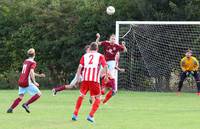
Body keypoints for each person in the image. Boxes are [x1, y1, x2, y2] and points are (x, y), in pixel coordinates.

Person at [72, 42, 108, 123]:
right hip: (94, 80)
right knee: (98, 98)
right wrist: (105, 76)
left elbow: (79, 68)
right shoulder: (100, 56)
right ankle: (90, 116)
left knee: (81, 96)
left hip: (85, 79)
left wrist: (78, 78)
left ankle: (75, 114)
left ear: (90, 48)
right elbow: (105, 66)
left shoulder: (84, 56)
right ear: (97, 49)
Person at [7, 48, 45, 113]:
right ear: (34, 54)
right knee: (39, 94)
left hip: (21, 81)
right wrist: (34, 82)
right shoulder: (33, 62)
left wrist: (39, 75)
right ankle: (26, 104)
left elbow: (28, 72)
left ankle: (10, 109)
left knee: (20, 97)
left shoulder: (25, 61)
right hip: (26, 82)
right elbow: (31, 72)